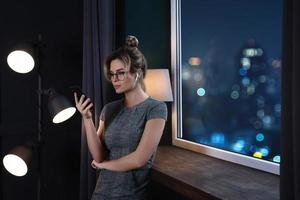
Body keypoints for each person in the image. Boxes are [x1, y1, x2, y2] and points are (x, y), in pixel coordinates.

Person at [74, 35, 167, 200]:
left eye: (120, 73)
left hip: (131, 195)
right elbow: (98, 156)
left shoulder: (156, 108)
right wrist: (87, 118)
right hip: (101, 193)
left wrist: (104, 166)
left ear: (137, 73)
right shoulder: (109, 109)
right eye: (112, 74)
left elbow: (139, 159)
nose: (114, 79)